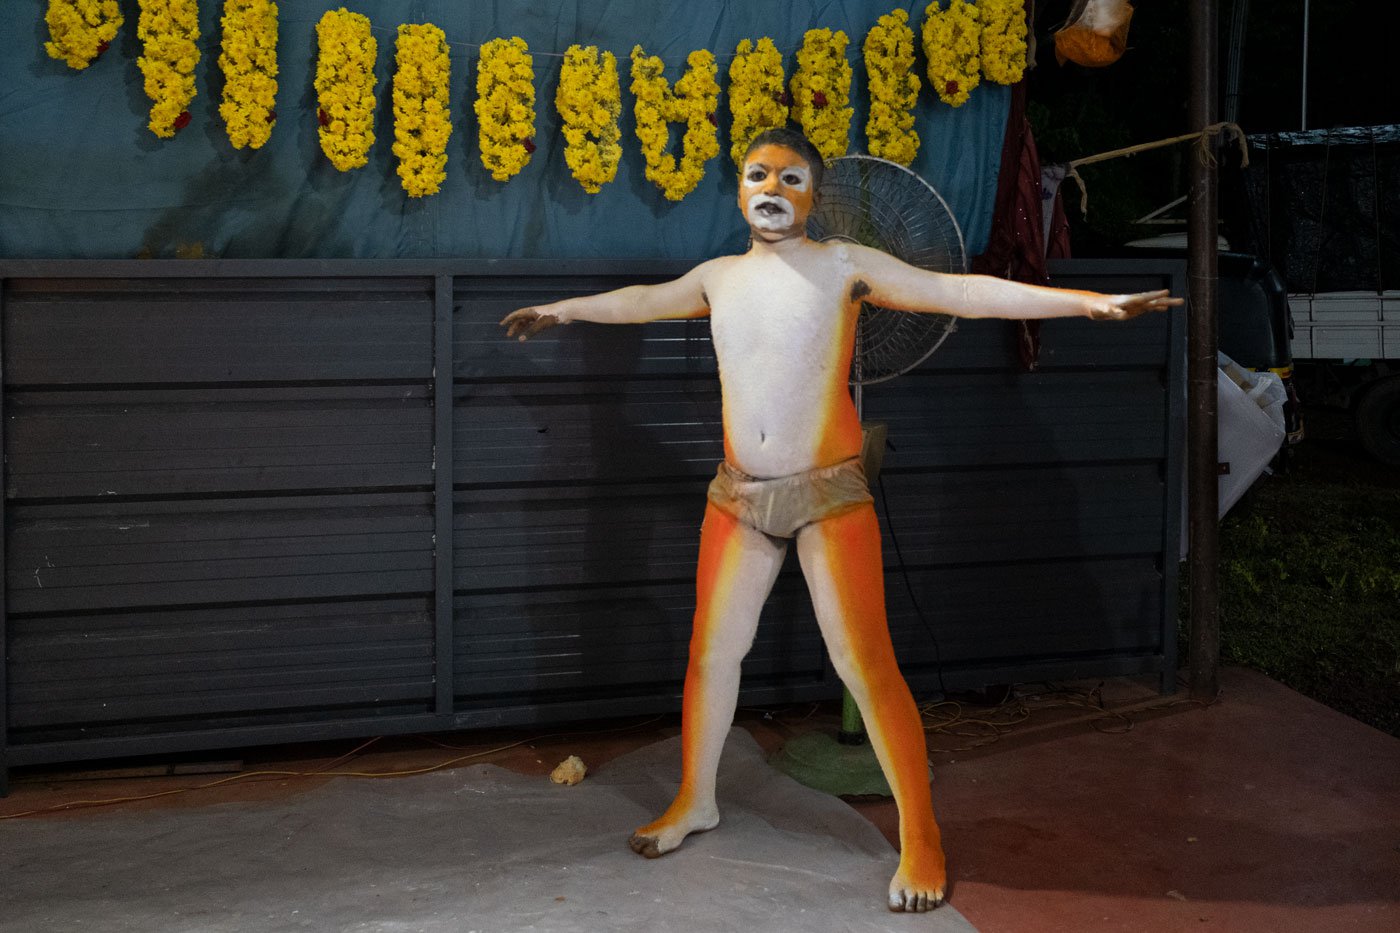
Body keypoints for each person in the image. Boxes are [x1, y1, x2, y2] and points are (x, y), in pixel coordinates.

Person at [501, 126, 1180, 912]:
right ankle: (697, 796)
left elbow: (960, 291)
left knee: (865, 665)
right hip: (739, 497)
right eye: (758, 174)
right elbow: (642, 303)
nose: (772, 189)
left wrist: (1085, 303)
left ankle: (921, 832)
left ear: (817, 195)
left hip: (828, 493)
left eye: (791, 178)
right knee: (711, 656)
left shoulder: (845, 267)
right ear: (737, 188)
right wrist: (564, 310)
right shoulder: (718, 277)